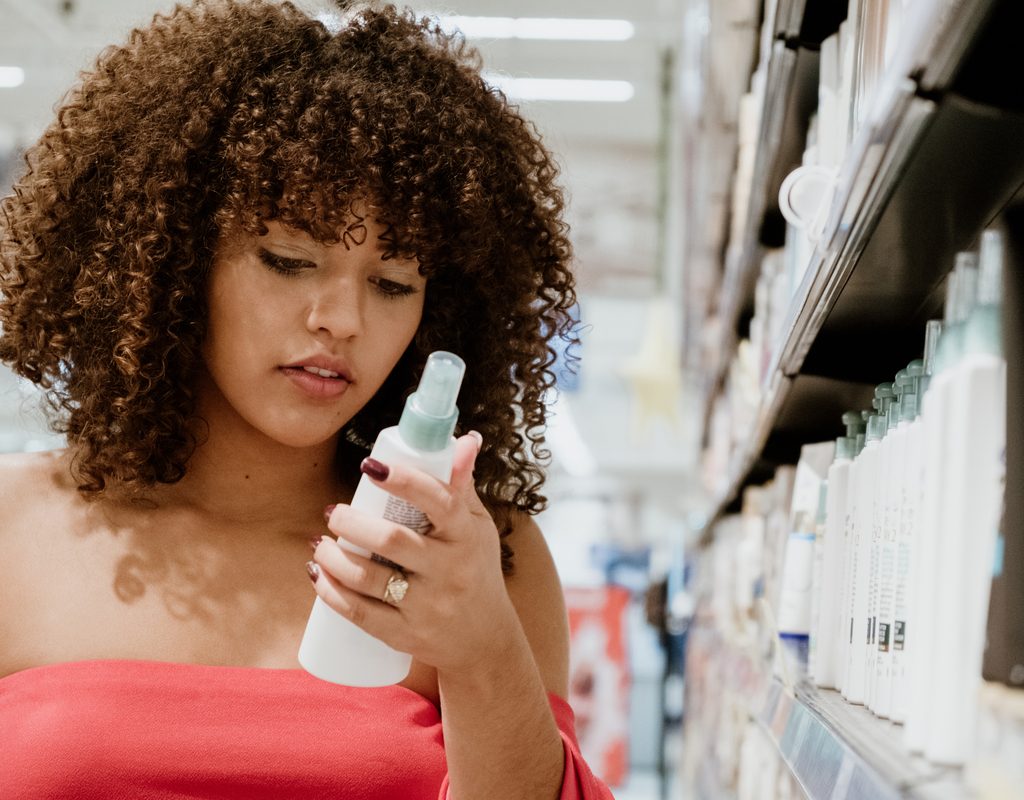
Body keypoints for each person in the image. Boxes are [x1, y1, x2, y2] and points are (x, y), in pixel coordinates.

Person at [0, 2, 614, 798]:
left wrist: (483, 648)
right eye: (289, 260)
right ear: (172, 259)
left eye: (394, 283)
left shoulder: (471, 558)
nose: (344, 321)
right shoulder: (13, 530)